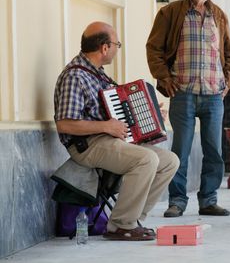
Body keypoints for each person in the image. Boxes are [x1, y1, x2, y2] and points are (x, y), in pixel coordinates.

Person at [54, 22, 180, 241]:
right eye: (116, 44)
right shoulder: (75, 76)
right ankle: (120, 226)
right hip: (87, 146)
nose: (116, 49)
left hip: (109, 141)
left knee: (170, 161)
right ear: (104, 47)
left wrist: (149, 116)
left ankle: (133, 218)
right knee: (146, 159)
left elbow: (118, 112)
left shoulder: (98, 75)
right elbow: (65, 124)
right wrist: (106, 126)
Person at [146, 0, 230, 217]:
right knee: (180, 151)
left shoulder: (218, 15)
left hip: (213, 94)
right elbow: (153, 49)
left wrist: (228, 81)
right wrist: (164, 78)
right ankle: (177, 201)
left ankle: (209, 200)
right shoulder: (171, 13)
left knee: (214, 151)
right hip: (183, 92)